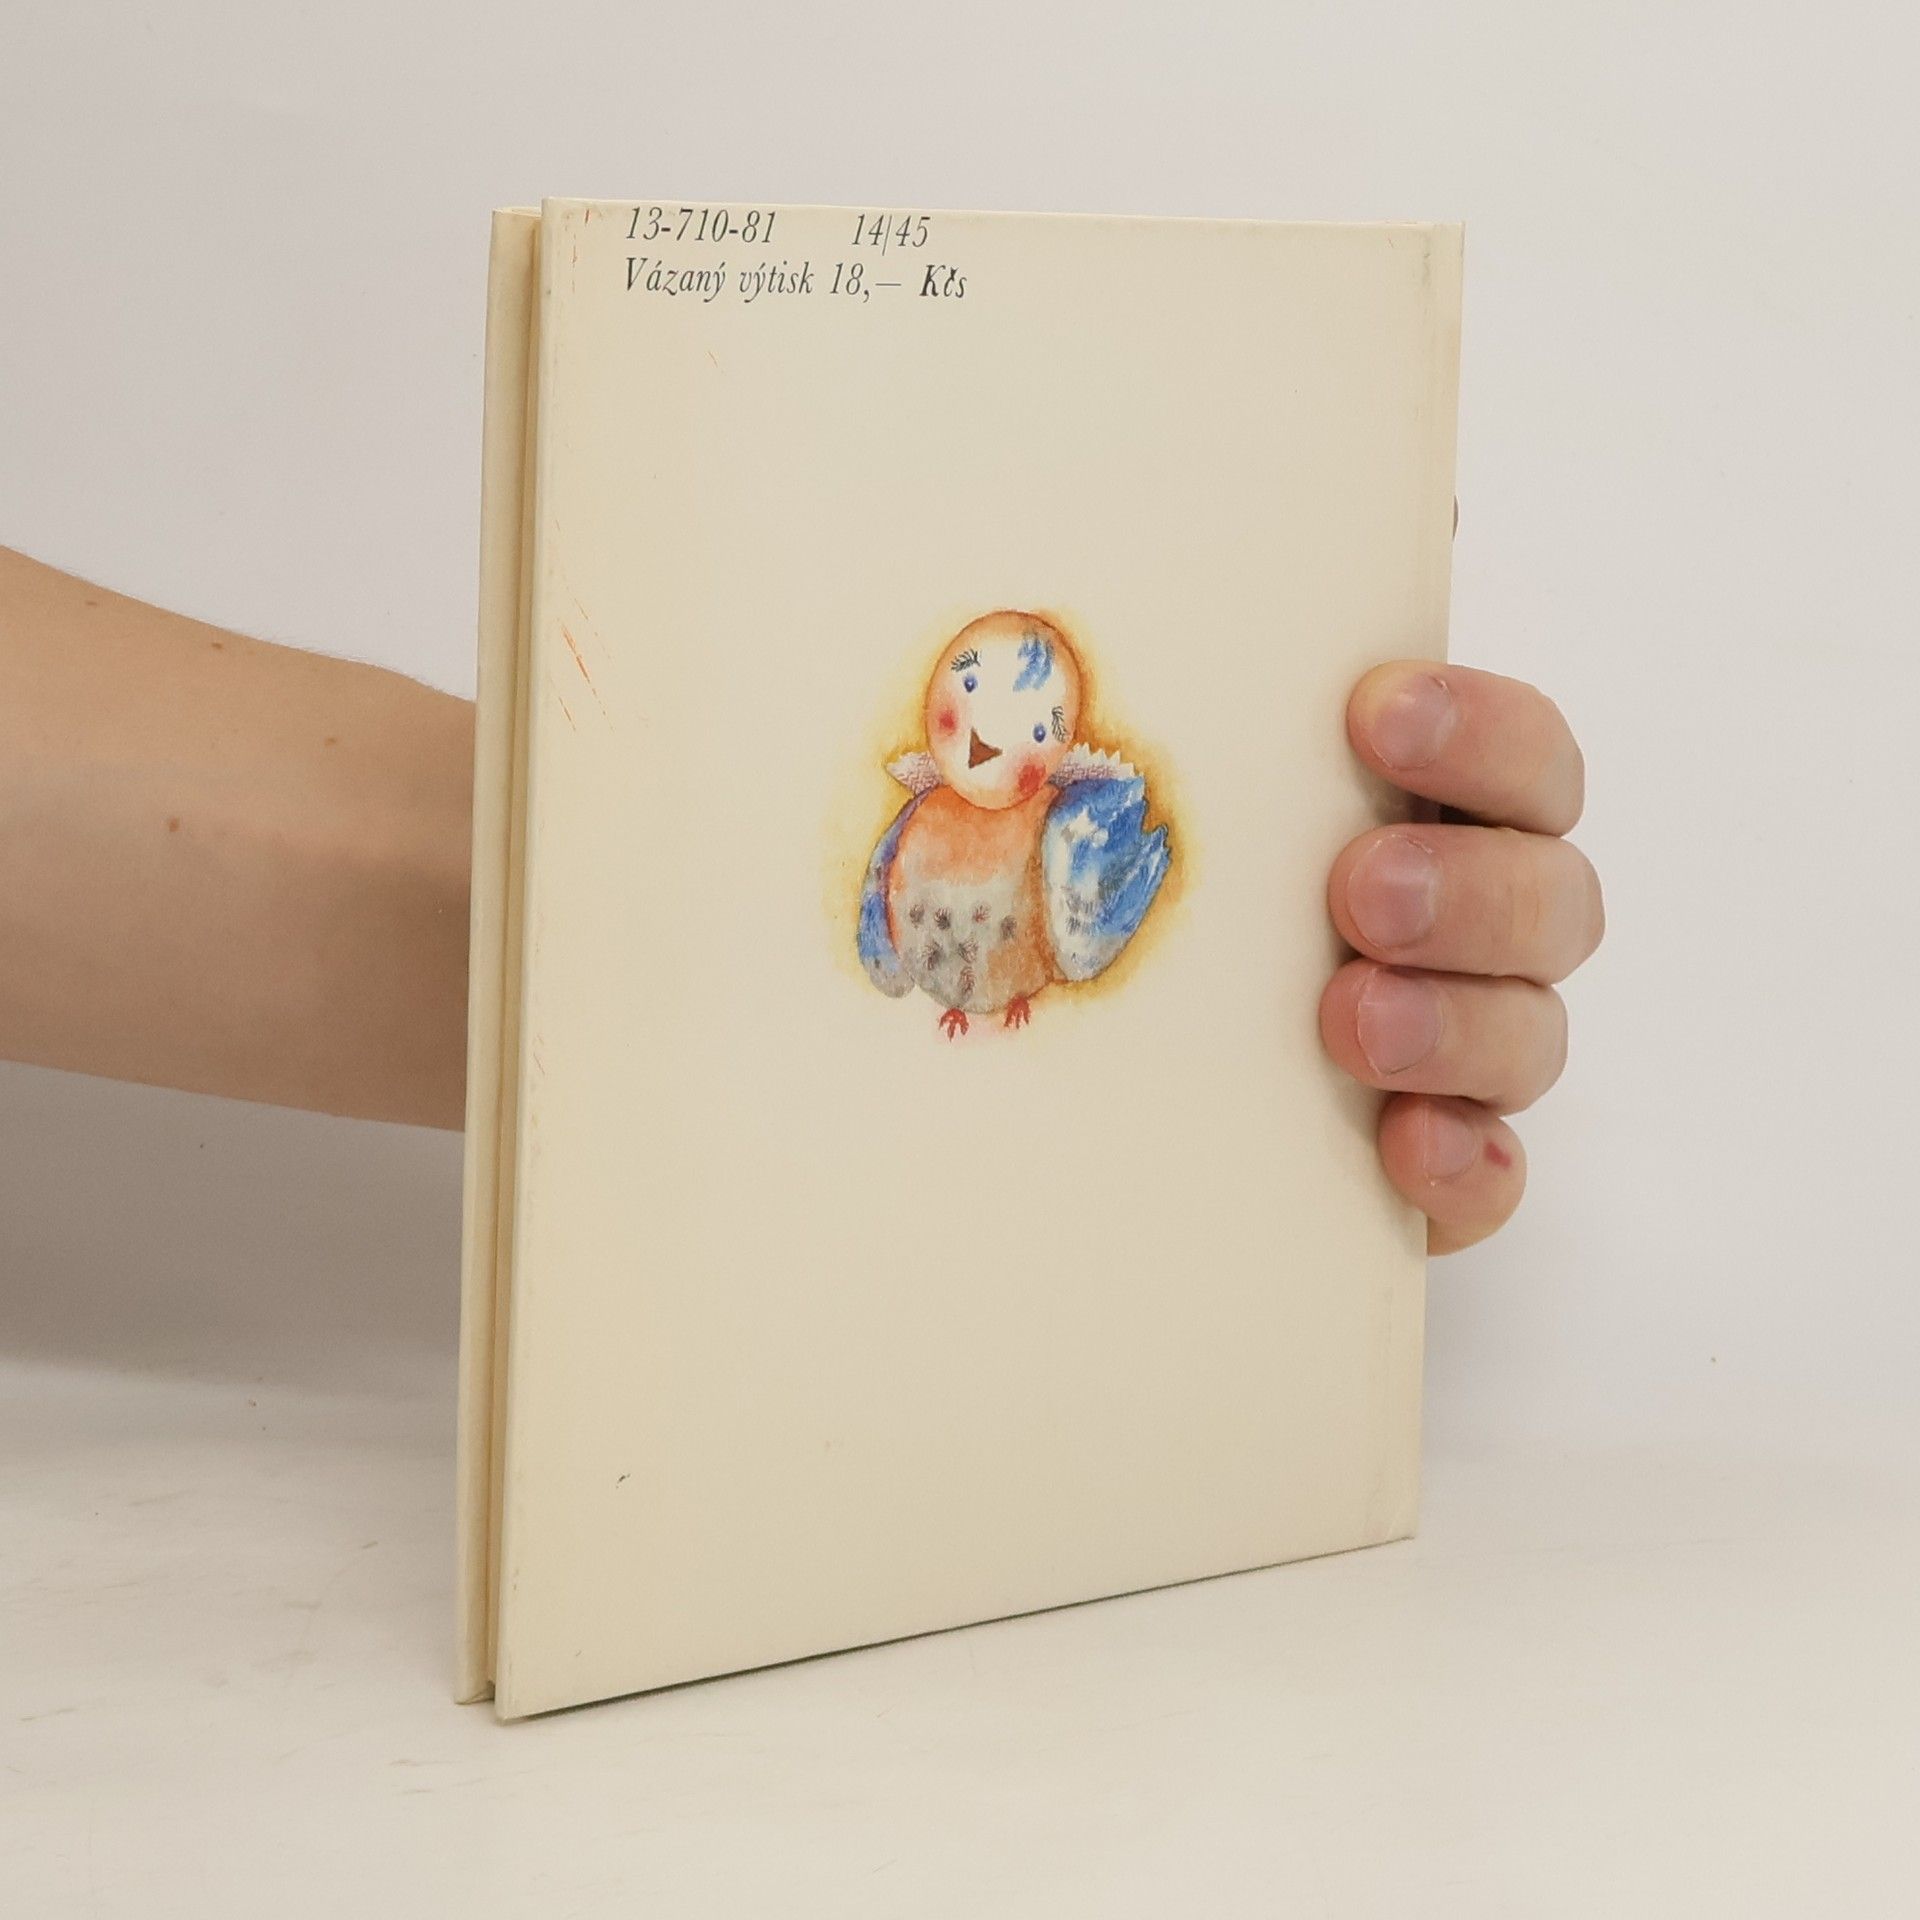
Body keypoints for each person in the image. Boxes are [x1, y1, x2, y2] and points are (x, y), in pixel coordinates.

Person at [0, 544, 1602, 1253]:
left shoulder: (1057, 831)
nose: (997, 749)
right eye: (976, 719)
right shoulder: (911, 835)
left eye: (1029, 729)